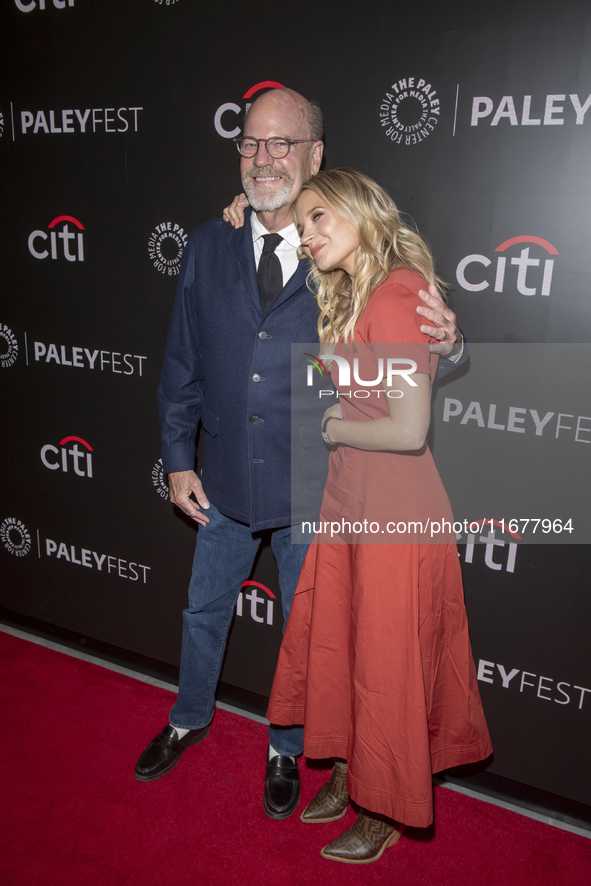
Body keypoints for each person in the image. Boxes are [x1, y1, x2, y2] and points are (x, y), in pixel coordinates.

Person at [134, 88, 464, 822]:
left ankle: (286, 747)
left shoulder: (341, 252)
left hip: (314, 491)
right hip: (219, 480)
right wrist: (176, 458)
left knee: (305, 633)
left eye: (282, 144)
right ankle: (186, 718)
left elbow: (406, 329)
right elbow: (180, 361)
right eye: (251, 144)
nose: (263, 158)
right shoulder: (207, 242)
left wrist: (451, 340)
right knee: (201, 611)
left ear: (315, 155)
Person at [266, 168, 492, 861]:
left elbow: (405, 430)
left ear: (361, 214)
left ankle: (388, 806)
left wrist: (333, 427)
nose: (305, 236)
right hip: (350, 501)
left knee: (387, 663)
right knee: (345, 648)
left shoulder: (395, 294)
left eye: (318, 219)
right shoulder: (348, 288)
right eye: (300, 225)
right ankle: (346, 769)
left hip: (393, 507)